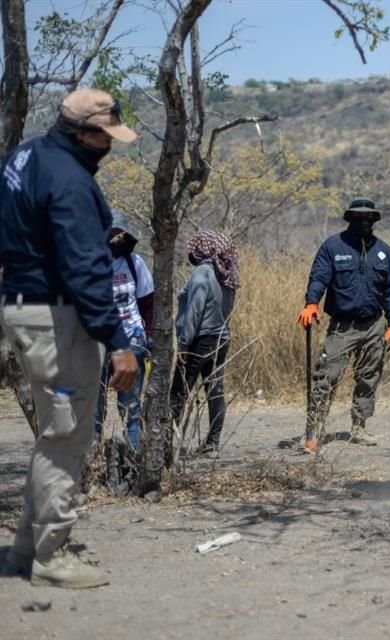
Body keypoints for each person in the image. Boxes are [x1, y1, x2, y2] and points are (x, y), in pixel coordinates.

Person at [0, 88, 138, 588]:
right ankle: (52, 556)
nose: (110, 145)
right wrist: (117, 340)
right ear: (83, 133)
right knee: (67, 435)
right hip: (58, 320)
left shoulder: (24, 156)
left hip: (22, 307)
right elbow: (84, 267)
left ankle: (23, 549)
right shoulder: (70, 181)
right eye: (106, 137)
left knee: (52, 435)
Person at [296, 198, 390, 453]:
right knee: (326, 377)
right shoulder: (333, 247)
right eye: (357, 218)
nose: (363, 222)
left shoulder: (384, 251)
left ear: (374, 221)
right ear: (349, 219)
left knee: (369, 377)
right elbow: (319, 276)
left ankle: (359, 428)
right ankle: (313, 431)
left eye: (368, 218)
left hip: (374, 325)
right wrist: (312, 303)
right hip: (342, 327)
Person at [170, 229, 238, 455]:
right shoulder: (226, 273)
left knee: (179, 390)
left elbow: (194, 312)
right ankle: (212, 444)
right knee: (215, 390)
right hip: (221, 337)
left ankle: (163, 443)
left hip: (199, 340)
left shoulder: (202, 273)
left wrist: (183, 344)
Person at [94, 209, 155, 452]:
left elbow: (148, 304)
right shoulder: (90, 264)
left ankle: (133, 459)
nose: (115, 238)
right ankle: (94, 462)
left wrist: (148, 339)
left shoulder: (135, 263)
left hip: (130, 340)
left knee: (130, 407)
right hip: (96, 344)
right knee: (94, 407)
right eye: (111, 233)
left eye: (120, 234)